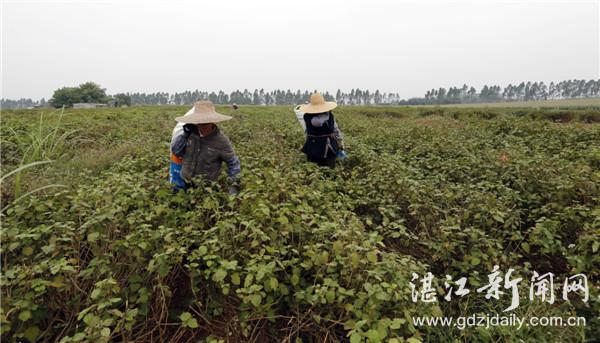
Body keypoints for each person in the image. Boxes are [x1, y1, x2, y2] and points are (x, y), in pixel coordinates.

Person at [169, 101, 241, 194]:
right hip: (185, 183)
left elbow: (234, 164)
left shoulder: (221, 141)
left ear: (212, 121)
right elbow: (176, 151)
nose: (201, 125)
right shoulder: (190, 132)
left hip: (206, 189)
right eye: (199, 122)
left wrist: (233, 189)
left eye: (205, 122)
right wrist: (184, 134)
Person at [298, 93, 346, 168]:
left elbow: (306, 130)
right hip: (326, 147)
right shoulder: (328, 116)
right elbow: (336, 130)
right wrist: (341, 145)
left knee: (313, 169)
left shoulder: (306, 116)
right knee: (328, 171)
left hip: (312, 146)